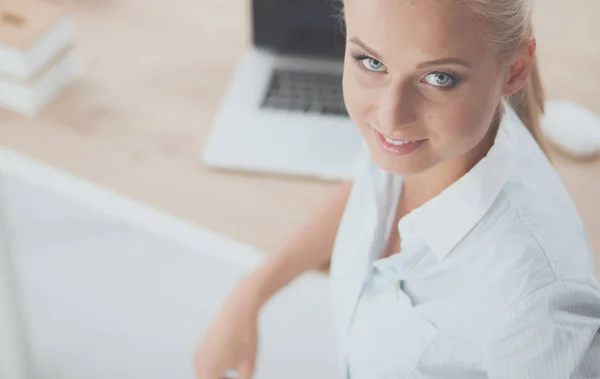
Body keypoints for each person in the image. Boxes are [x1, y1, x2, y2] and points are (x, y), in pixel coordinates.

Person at [194, 0, 600, 378]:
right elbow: (368, 194)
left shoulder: (538, 308)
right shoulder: (423, 141)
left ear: (514, 71)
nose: (390, 115)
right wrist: (250, 295)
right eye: (370, 61)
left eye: (439, 78)